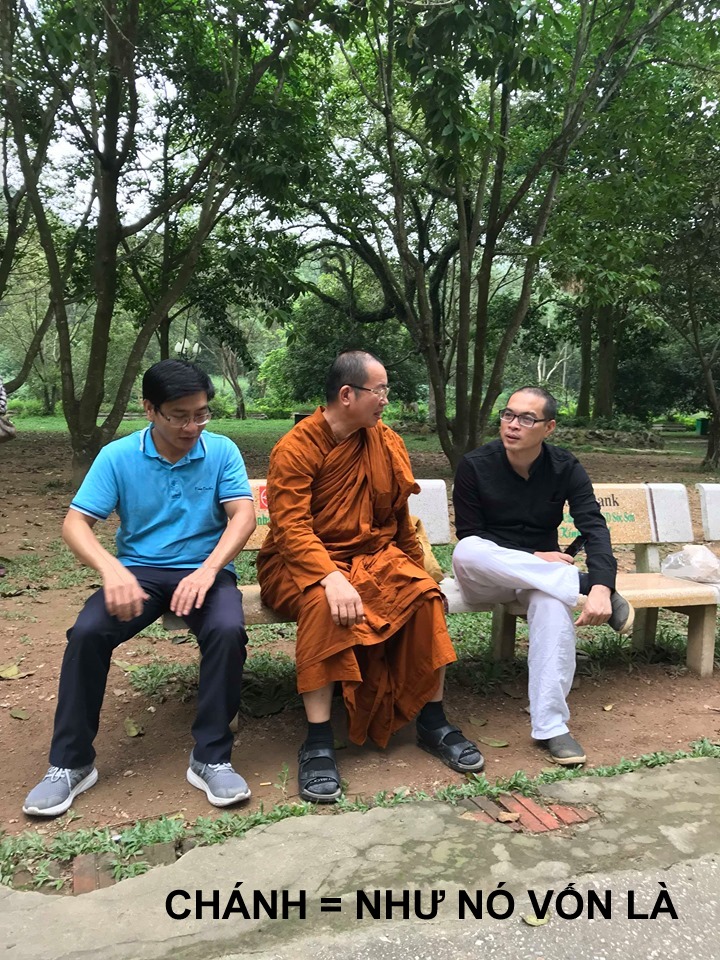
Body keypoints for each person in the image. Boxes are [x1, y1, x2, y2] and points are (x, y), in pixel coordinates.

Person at [23, 360, 256, 817]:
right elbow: (75, 524)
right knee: (87, 633)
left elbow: (242, 516)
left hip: (203, 572)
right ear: (150, 409)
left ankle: (211, 758)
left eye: (202, 414)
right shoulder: (118, 456)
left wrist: (208, 570)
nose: (193, 427)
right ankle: (70, 763)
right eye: (180, 416)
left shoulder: (221, 450)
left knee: (227, 630)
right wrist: (112, 570)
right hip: (140, 573)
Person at [257, 350, 483, 803]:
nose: (386, 400)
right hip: (300, 562)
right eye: (379, 391)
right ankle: (318, 741)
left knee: (424, 597)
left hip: (373, 556)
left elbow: (397, 515)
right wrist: (328, 577)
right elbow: (291, 528)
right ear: (347, 395)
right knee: (323, 606)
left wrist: (415, 568)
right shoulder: (296, 448)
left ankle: (432, 721)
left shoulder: (385, 441)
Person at [452, 386, 634, 767]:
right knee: (466, 550)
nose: (512, 425)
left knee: (552, 603)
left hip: (538, 581)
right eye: (508, 415)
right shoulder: (474, 465)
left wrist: (604, 586)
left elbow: (594, 526)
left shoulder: (565, 467)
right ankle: (579, 583)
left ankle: (552, 727)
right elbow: (470, 532)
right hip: (488, 575)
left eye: (526, 418)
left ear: (548, 427)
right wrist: (535, 557)